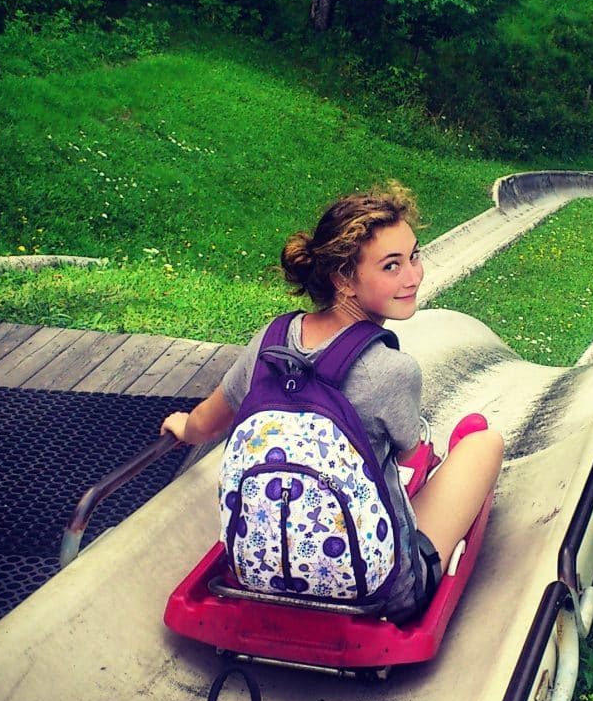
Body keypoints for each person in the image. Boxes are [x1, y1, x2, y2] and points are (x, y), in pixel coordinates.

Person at [161, 182, 504, 622]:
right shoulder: (392, 371)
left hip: (256, 578)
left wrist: (181, 427)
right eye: (391, 266)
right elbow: (412, 457)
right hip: (379, 594)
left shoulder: (268, 344)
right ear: (343, 278)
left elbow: (205, 425)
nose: (413, 277)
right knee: (483, 444)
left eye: (414, 257)